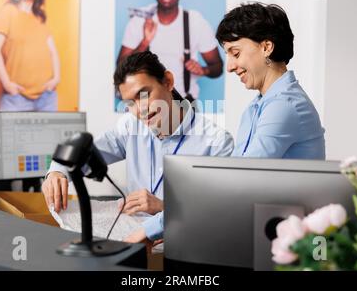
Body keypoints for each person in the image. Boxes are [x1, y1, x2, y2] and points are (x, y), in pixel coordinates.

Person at [42, 51, 234, 244]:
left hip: (184, 244)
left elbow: (217, 213)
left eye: (144, 95)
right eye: (129, 103)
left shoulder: (216, 142)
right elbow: (85, 156)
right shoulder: (130, 126)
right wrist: (57, 172)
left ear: (168, 81)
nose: (139, 109)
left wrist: (163, 207)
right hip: (131, 239)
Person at [216, 3, 325, 159]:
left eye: (236, 53)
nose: (230, 67)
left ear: (266, 47)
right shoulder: (256, 107)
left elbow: (245, 174)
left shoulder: (284, 105)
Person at [117, 0, 223, 102]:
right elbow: (121, 67)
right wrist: (144, 42)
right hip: (145, 106)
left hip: (184, 104)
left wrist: (203, 70)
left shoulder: (195, 22)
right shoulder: (139, 21)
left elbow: (218, 67)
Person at [0, 0, 60, 111]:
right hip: (17, 98)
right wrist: (7, 84)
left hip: (47, 97)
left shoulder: (40, 19)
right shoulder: (8, 12)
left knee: (49, 134)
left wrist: (56, 79)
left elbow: (53, 52)